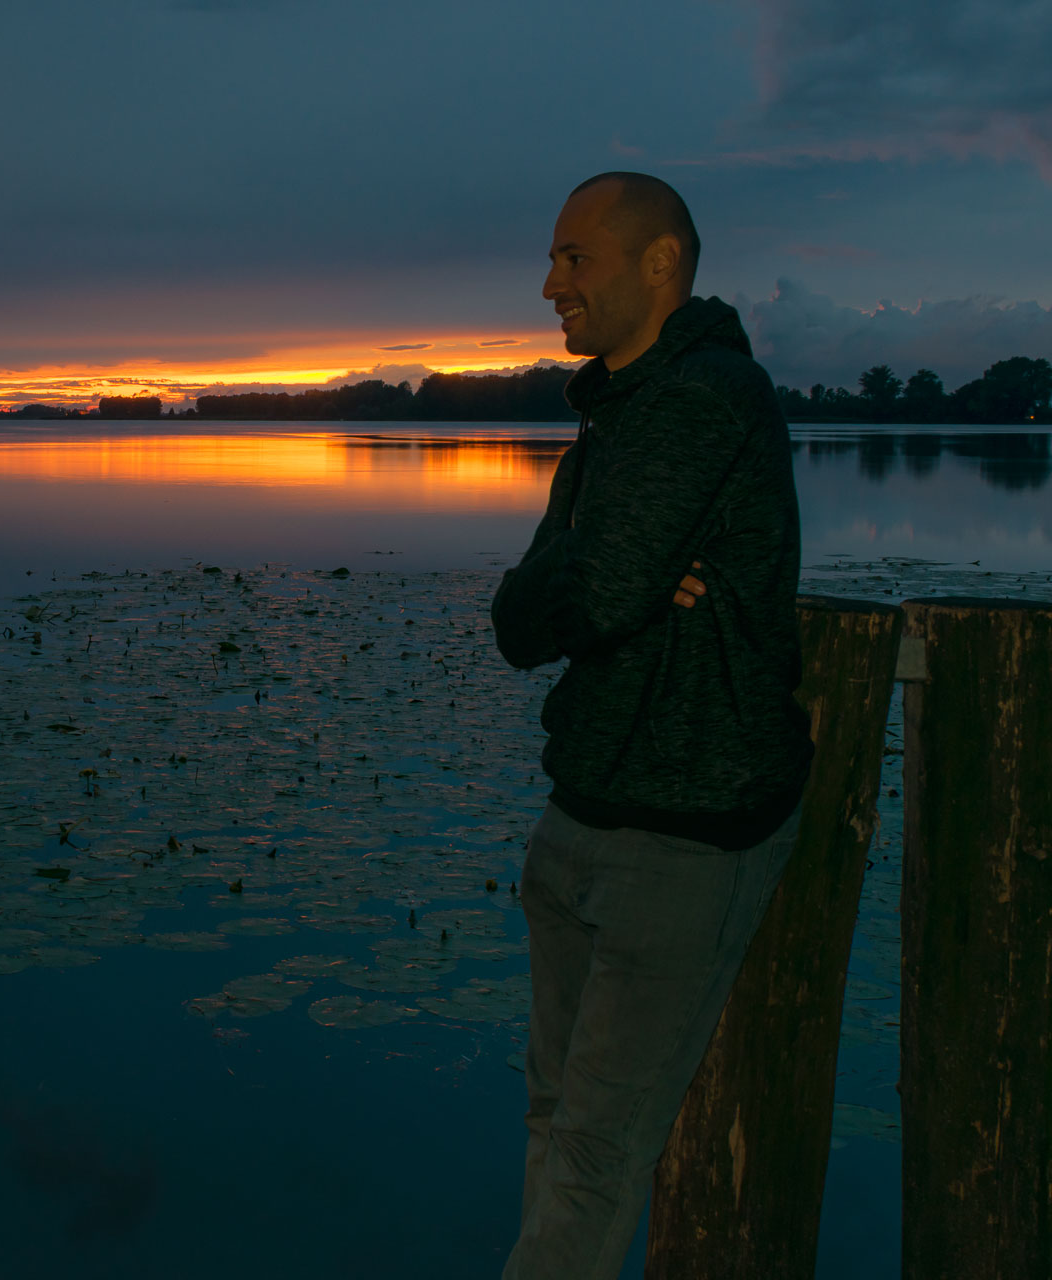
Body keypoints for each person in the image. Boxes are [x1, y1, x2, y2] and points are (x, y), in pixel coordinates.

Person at [488, 173, 813, 1278]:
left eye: (576, 257)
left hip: (686, 835)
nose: (551, 284)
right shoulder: (606, 427)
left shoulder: (710, 397)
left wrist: (601, 573)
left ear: (660, 262)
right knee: (552, 1118)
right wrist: (602, 571)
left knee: (593, 1149)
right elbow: (521, 618)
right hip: (579, 814)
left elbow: (596, 592)